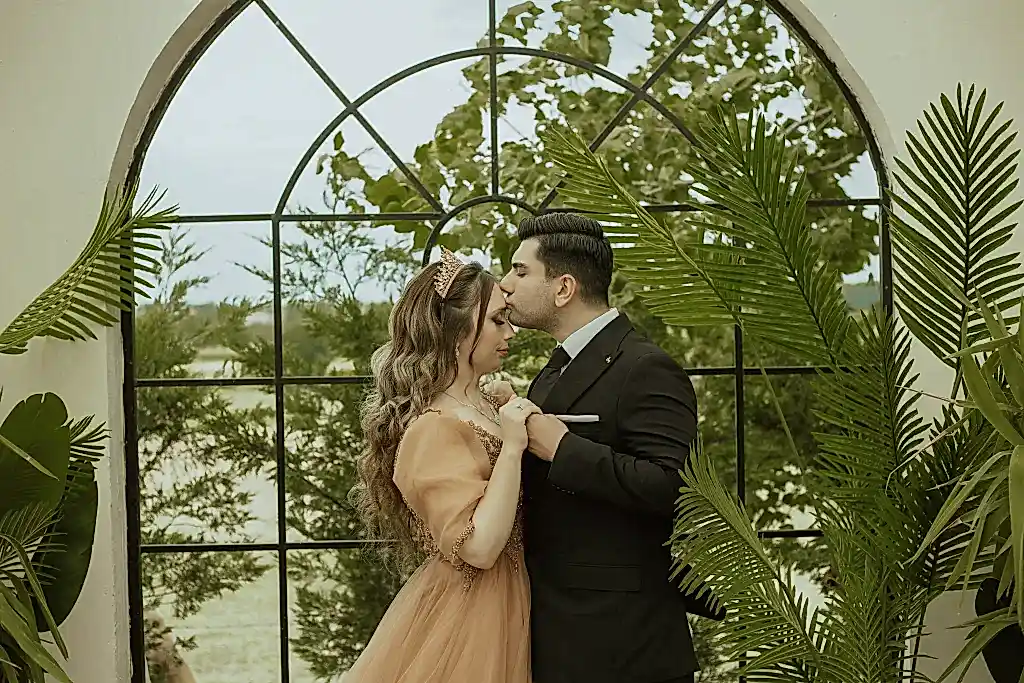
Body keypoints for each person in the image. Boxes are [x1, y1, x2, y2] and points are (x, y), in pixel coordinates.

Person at [497, 212, 716, 683]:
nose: (505, 285)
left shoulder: (645, 368)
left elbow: (671, 487)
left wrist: (564, 449)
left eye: (519, 271)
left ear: (564, 288)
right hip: (558, 631)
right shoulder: (554, 369)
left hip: (624, 646)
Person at [347, 246, 541, 683]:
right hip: (472, 619)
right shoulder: (432, 428)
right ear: (456, 331)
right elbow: (479, 548)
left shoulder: (484, 405)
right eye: (497, 320)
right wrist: (512, 446)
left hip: (517, 597)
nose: (511, 332)